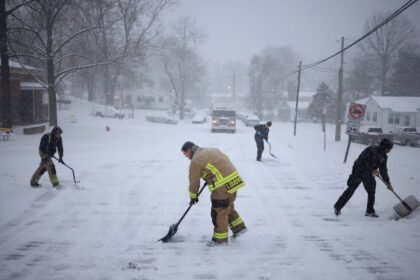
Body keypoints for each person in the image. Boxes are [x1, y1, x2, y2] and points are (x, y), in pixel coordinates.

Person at [181, 141, 247, 246]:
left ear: (189, 150)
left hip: (222, 184)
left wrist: (193, 196)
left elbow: (194, 182)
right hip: (234, 180)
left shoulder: (195, 161)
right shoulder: (211, 150)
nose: (185, 156)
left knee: (219, 211)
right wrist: (210, 176)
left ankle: (219, 240)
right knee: (227, 206)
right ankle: (239, 228)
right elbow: (220, 164)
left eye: (185, 154)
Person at [334, 138, 394, 218]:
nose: (389, 151)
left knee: (371, 191)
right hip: (358, 171)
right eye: (388, 148)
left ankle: (369, 211)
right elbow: (362, 161)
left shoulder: (384, 157)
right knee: (351, 189)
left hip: (368, 175)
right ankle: (337, 207)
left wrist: (387, 182)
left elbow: (383, 170)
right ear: (383, 147)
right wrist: (372, 170)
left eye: (390, 149)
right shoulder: (371, 150)